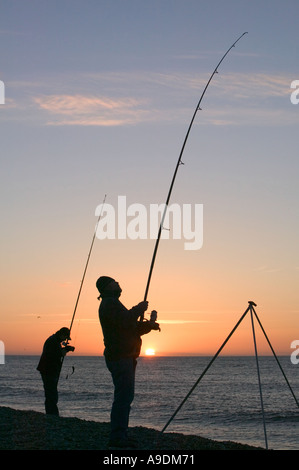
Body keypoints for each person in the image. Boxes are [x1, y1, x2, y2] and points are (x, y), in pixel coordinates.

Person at [96, 276, 160, 449]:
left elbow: (131, 328)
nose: (118, 283)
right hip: (120, 358)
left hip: (124, 357)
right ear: (107, 287)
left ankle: (120, 434)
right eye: (114, 282)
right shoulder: (109, 303)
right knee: (123, 398)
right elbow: (126, 319)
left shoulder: (113, 303)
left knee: (125, 397)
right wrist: (140, 308)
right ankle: (117, 437)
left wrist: (150, 326)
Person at [37, 327, 75, 416]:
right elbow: (55, 354)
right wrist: (66, 349)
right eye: (65, 338)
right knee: (51, 393)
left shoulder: (54, 340)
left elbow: (57, 352)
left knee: (51, 392)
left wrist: (65, 349)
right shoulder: (52, 341)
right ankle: (52, 414)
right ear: (62, 335)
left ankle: (51, 413)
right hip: (48, 370)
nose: (65, 340)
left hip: (49, 370)